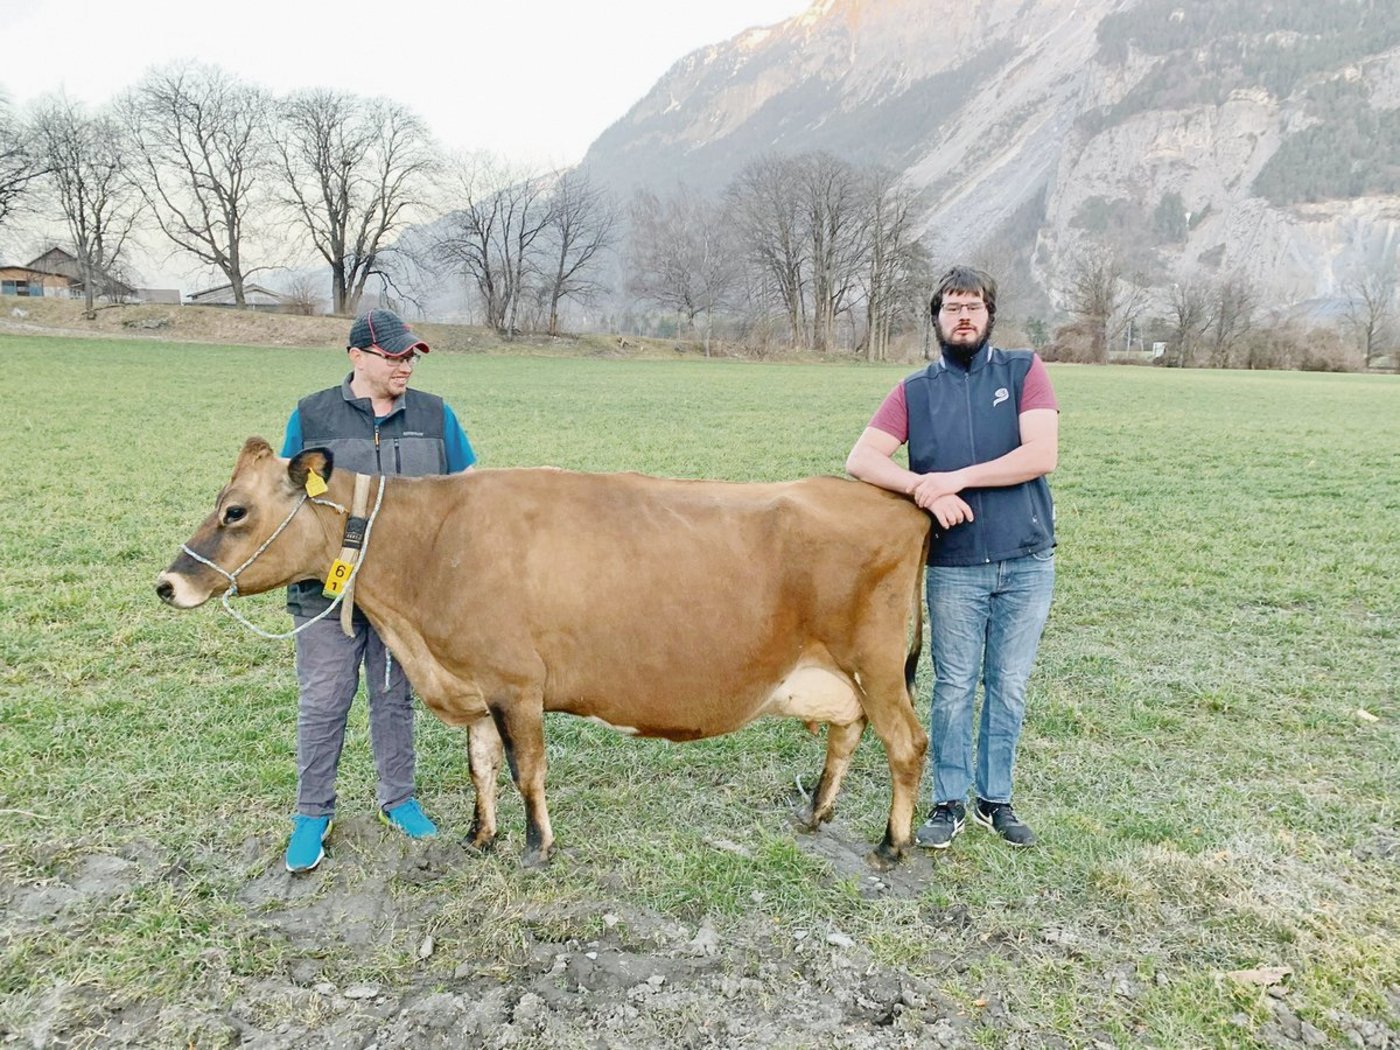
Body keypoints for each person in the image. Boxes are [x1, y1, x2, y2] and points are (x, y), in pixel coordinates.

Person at [846, 266, 1058, 849]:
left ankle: (996, 800)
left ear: (990, 315)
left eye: (974, 307)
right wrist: (922, 488)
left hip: (1026, 560)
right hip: (955, 566)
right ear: (936, 318)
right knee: (955, 686)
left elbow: (1041, 454)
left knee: (1008, 685)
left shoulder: (1023, 370)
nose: (964, 317)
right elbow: (862, 459)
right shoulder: (915, 390)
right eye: (953, 308)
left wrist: (954, 478)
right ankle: (948, 801)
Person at [280, 309, 476, 873]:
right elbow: (285, 499)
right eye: (393, 356)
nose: (405, 365)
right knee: (324, 701)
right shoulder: (311, 414)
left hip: (404, 597)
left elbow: (468, 496)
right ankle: (312, 814)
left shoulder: (436, 415)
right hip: (325, 596)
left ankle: (399, 800)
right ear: (357, 357)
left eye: (409, 356)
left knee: (394, 698)